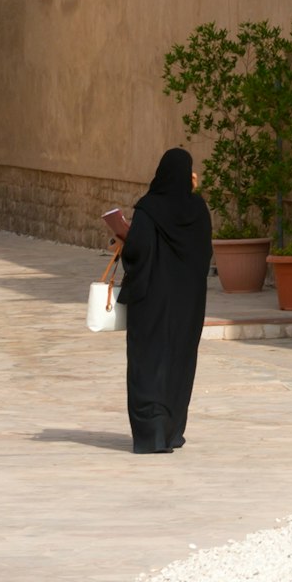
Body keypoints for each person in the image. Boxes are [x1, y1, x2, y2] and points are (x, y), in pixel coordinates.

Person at [113, 146, 211, 454]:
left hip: (152, 301)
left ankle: (151, 433)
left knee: (148, 360)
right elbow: (203, 254)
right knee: (179, 361)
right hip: (188, 303)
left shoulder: (149, 208)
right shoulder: (198, 210)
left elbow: (137, 252)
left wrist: (122, 240)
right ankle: (171, 432)